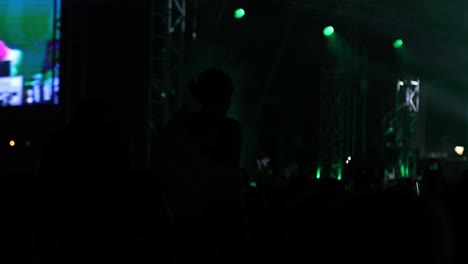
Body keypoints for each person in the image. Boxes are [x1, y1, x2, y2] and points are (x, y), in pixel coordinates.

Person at [157, 69, 243, 261]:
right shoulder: (231, 129)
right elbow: (229, 172)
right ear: (225, 97)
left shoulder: (177, 125)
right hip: (219, 222)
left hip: (182, 217)